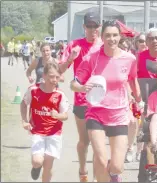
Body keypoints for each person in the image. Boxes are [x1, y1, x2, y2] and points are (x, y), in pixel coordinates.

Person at [71, 20, 143, 182]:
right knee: (101, 159)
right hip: (96, 114)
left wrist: (139, 99)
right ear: (102, 37)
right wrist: (82, 88)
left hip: (118, 115)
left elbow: (133, 79)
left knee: (117, 167)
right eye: (108, 35)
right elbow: (74, 83)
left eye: (115, 35)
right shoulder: (91, 58)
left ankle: (111, 173)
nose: (112, 39)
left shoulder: (129, 59)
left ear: (120, 37)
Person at [59, 11, 103, 182]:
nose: (93, 30)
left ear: (99, 27)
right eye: (89, 26)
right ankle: (83, 170)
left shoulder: (105, 44)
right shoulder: (75, 45)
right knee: (84, 141)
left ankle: (97, 177)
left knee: (99, 144)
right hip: (82, 100)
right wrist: (71, 58)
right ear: (84, 27)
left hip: (102, 100)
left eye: (95, 26)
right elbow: (60, 70)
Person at [20, 62, 69, 182]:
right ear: (44, 75)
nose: (54, 79)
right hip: (37, 132)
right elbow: (23, 103)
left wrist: (57, 115)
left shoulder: (60, 95)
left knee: (48, 166)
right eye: (52, 76)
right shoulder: (33, 90)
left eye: (57, 77)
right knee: (37, 161)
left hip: (54, 133)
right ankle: (36, 167)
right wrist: (25, 121)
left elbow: (65, 115)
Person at [126, 32, 147, 163]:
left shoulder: (152, 57)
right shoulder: (131, 58)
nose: (143, 43)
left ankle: (140, 151)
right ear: (136, 43)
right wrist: (130, 94)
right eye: (141, 41)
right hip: (134, 93)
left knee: (144, 124)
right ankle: (130, 148)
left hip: (147, 92)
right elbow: (128, 78)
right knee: (133, 122)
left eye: (145, 41)